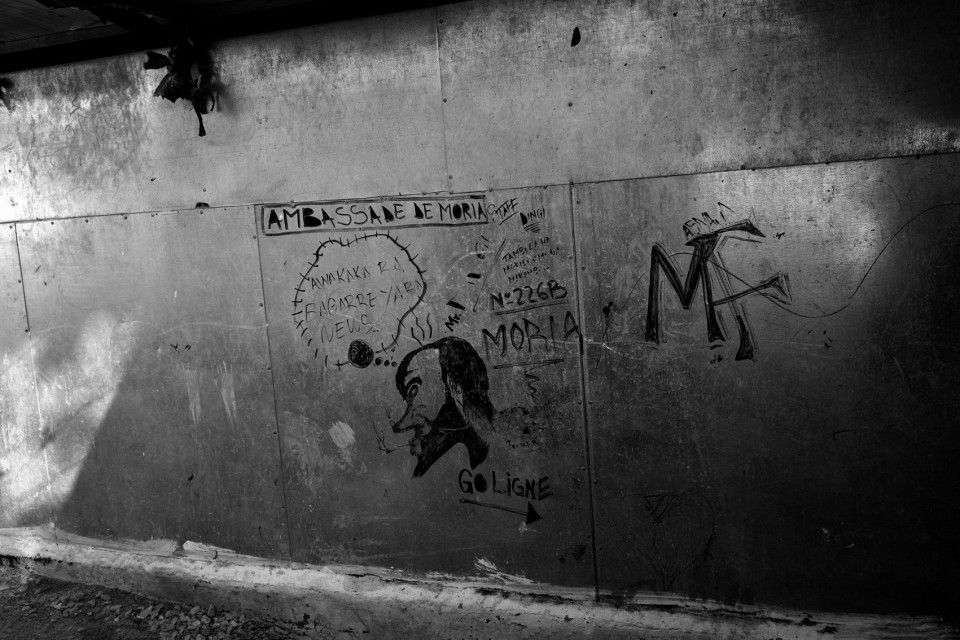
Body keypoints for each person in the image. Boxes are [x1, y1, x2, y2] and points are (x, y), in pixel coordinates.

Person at [391, 337, 495, 478]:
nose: (401, 424)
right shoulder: (439, 440)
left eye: (414, 391)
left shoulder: (468, 449)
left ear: (455, 387)